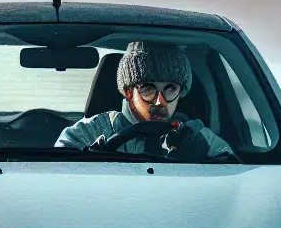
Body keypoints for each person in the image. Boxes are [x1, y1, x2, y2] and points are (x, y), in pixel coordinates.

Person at [56, 42, 235, 161]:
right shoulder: (88, 131)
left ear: (182, 92)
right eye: (148, 89)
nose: (160, 102)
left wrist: (200, 161)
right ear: (128, 92)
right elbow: (57, 178)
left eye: (170, 88)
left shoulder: (197, 136)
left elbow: (233, 174)